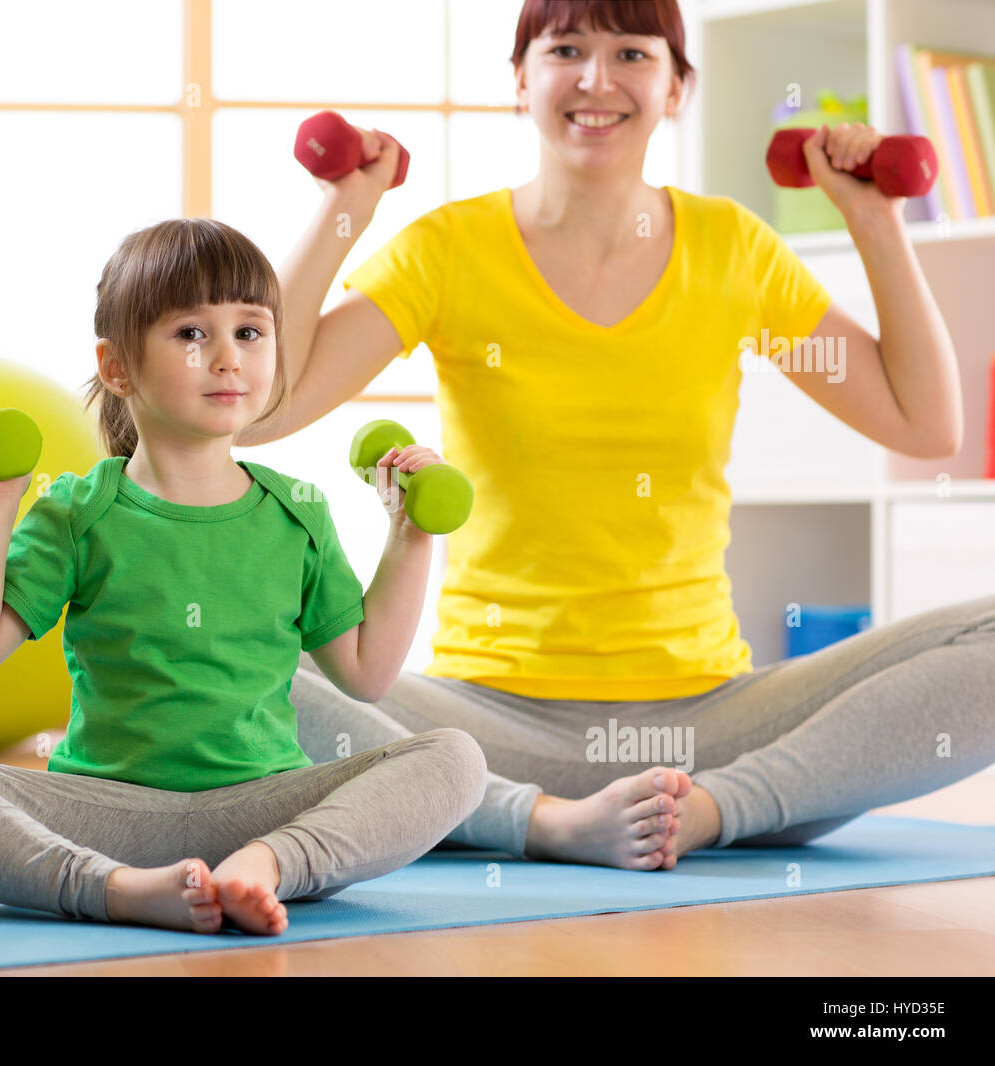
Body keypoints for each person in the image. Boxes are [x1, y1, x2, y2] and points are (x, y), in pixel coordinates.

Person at [238, 0, 995, 871]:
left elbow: (923, 422)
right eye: (566, 50)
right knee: (238, 651)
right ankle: (540, 820)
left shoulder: (732, 250)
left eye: (632, 52)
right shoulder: (449, 248)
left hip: (710, 724)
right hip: (486, 720)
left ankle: (712, 811)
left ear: (677, 88)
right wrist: (344, 210)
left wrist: (873, 219)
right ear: (521, 81)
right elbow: (266, 407)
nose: (596, 79)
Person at [0, 217, 488, 935]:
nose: (227, 358)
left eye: (250, 333)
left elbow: (366, 675)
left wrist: (410, 536)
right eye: (192, 334)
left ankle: (267, 867)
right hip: (107, 814)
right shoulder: (78, 510)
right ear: (117, 366)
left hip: (262, 804)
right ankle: (121, 891)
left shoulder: (299, 514)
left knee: (454, 758)